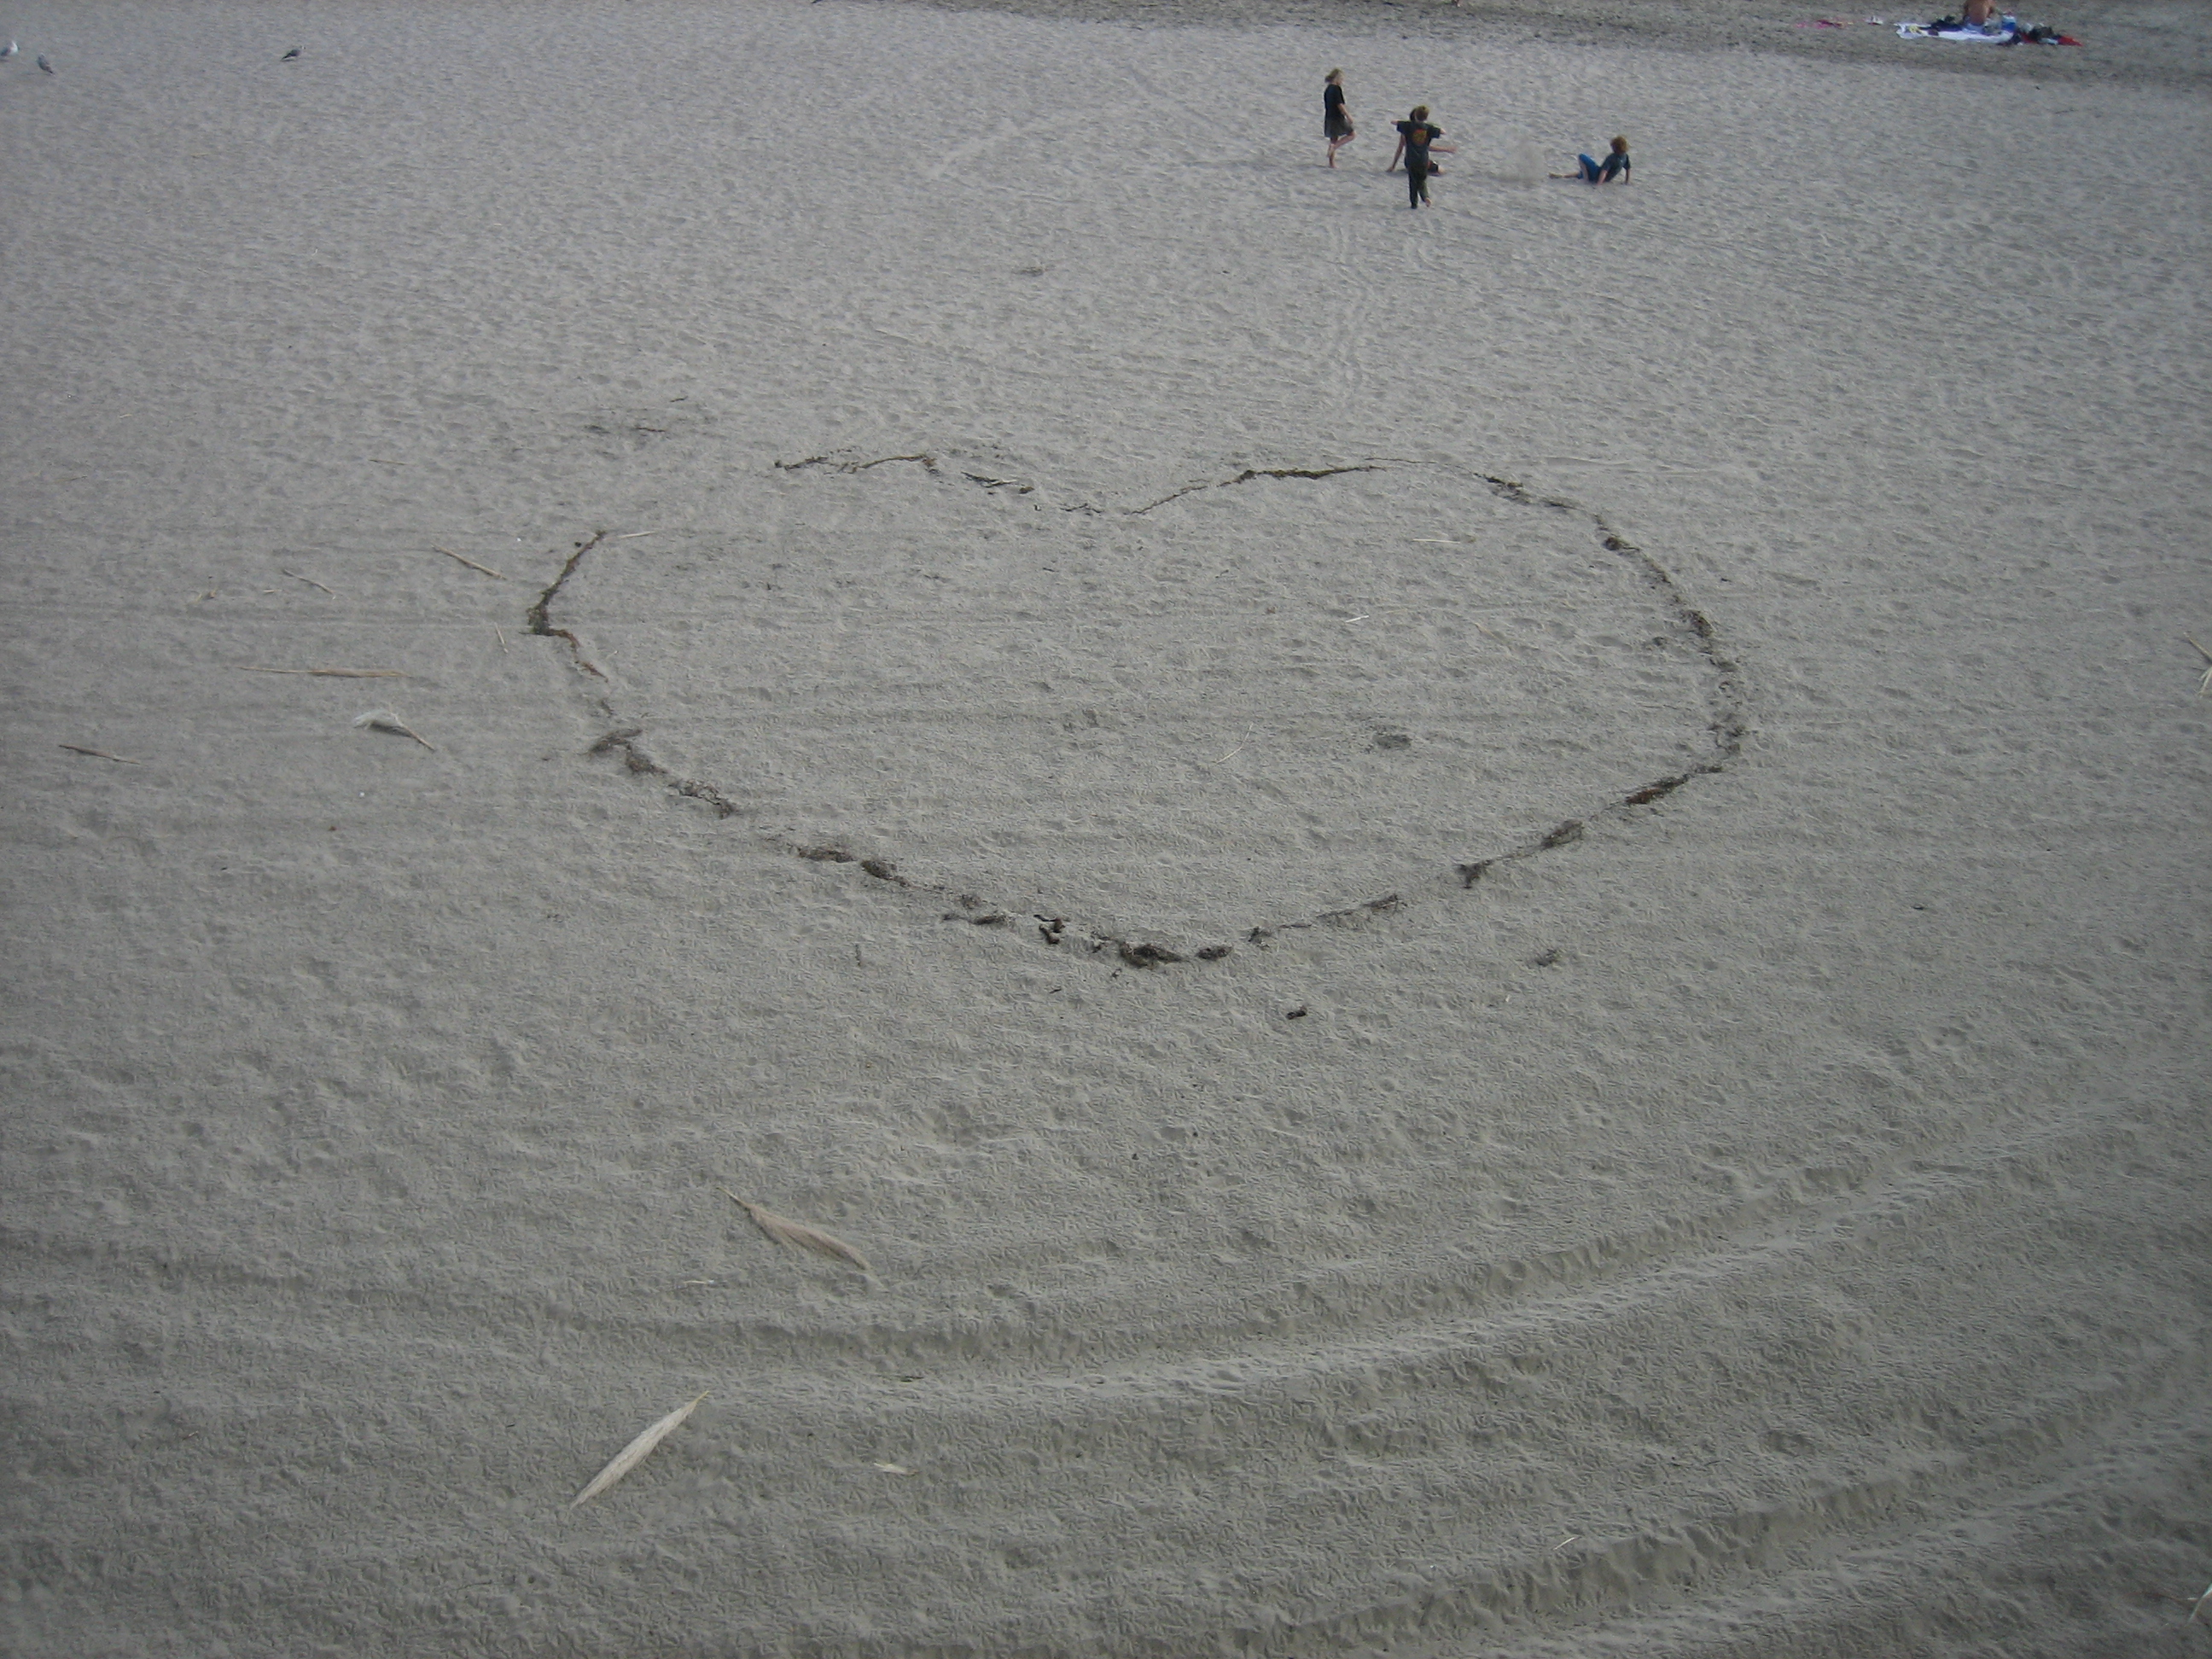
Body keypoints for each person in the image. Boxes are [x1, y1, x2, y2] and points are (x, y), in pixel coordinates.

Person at [1390, 106, 1450, 210]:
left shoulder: (1408, 127)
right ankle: (1425, 197)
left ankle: (1414, 204)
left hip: (1411, 160)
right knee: (1422, 181)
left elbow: (1393, 122)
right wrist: (1430, 126)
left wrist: (1405, 122)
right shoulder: (1428, 128)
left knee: (1413, 182)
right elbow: (1443, 132)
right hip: (1423, 160)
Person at [1552, 135, 1631, 184]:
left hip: (1596, 175)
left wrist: (1598, 185)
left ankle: (1585, 179)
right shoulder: (1625, 156)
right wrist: (1626, 182)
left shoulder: (1611, 158)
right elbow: (1628, 169)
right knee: (1578, 174)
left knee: (1582, 156)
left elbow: (1604, 172)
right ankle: (1563, 176)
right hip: (1606, 179)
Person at [1323, 69, 1356, 168]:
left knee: (1333, 139)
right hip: (1337, 118)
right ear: (1337, 78)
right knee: (1352, 134)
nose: (1342, 81)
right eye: (1341, 79)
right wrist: (1348, 116)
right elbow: (1340, 104)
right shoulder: (1336, 89)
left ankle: (1331, 163)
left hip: (1329, 117)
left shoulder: (1328, 89)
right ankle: (1335, 147)